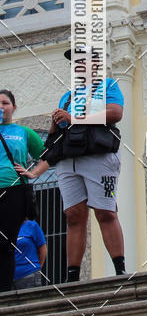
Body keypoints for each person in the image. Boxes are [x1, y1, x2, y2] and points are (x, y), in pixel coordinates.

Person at [19, 50, 126, 282]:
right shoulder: (67, 97)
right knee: (73, 216)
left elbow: (115, 113)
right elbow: (57, 134)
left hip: (99, 157)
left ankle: (120, 270)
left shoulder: (107, 85)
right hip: (69, 160)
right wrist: (55, 122)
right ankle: (72, 276)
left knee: (106, 212)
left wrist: (73, 117)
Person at [0, 89, 44, 291]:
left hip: (14, 190)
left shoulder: (23, 132)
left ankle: (4, 292)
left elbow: (47, 155)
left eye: (5, 103)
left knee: (6, 243)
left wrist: (33, 173)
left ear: (14, 107)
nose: (1, 107)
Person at [14, 217, 47, 289]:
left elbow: (43, 249)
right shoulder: (5, 228)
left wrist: (36, 269)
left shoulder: (32, 225)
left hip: (29, 274)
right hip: (7, 277)